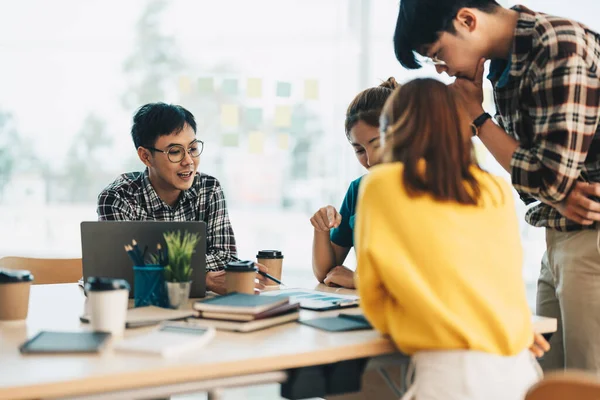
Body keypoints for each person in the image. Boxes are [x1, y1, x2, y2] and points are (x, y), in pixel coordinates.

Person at [392, 0, 600, 373]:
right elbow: (534, 183)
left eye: (438, 54)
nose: (442, 70)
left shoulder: (557, 46)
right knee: (548, 383)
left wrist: (477, 116)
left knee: (587, 381)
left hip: (591, 235)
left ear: (467, 19)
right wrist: (555, 192)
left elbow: (550, 179)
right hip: (559, 235)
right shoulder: (504, 67)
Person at [355, 78, 546, 400]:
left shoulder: (382, 184)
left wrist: (412, 323)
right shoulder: (493, 188)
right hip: (519, 366)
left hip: (451, 372)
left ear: (393, 128)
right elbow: (505, 274)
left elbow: (373, 286)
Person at [97, 102, 266, 294]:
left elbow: (225, 258)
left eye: (193, 149)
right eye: (175, 152)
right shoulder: (118, 198)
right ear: (145, 156)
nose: (188, 161)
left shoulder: (209, 189)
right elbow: (124, 273)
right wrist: (201, 278)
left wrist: (158, 266)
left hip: (198, 310)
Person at [310, 78, 399, 288]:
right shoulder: (359, 189)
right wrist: (321, 228)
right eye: (359, 150)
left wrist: (362, 281)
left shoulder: (427, 188)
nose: (369, 160)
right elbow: (327, 273)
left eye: (376, 144)